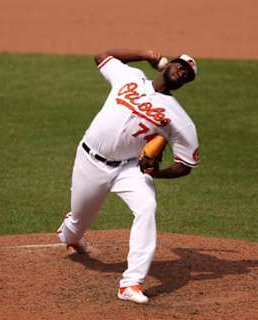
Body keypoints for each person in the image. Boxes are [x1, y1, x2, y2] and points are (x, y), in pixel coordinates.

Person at [57, 49, 200, 304]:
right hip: (90, 160)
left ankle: (131, 282)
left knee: (147, 207)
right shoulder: (130, 77)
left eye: (186, 75)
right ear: (167, 65)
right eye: (180, 66)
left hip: (130, 169)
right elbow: (101, 55)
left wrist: (157, 174)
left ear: (185, 83)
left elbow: (185, 164)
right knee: (77, 225)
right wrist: (144, 53)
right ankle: (71, 233)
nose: (181, 72)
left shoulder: (179, 118)